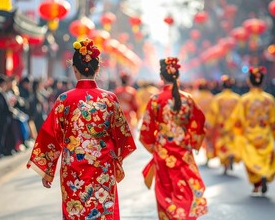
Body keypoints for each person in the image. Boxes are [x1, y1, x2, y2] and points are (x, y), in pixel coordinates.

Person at [27, 39, 136, 220]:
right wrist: (116, 161)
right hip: (102, 168)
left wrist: (48, 169)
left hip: (73, 169)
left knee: (76, 211)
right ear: (97, 69)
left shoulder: (64, 99)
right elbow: (123, 135)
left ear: (75, 69)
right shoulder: (109, 99)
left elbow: (50, 135)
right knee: (102, 211)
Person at [139, 57, 208, 219]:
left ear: (161, 77)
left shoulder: (155, 100)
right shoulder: (187, 99)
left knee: (165, 191)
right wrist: (191, 141)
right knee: (184, 185)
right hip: (183, 149)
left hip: (163, 152)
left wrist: (154, 147)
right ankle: (183, 214)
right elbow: (199, 122)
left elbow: (146, 131)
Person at [225, 66, 275, 196]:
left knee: (250, 158)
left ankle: (256, 184)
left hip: (250, 134)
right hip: (264, 134)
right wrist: (274, 132)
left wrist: (238, 131)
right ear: (262, 81)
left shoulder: (244, 99)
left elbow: (238, 119)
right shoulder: (269, 99)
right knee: (265, 158)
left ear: (249, 81)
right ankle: (264, 174)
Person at [206, 75, 240, 173]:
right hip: (233, 125)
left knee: (223, 143)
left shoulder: (218, 98)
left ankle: (225, 163)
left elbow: (214, 113)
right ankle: (231, 155)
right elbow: (240, 113)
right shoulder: (237, 98)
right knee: (232, 142)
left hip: (222, 125)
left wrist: (210, 124)